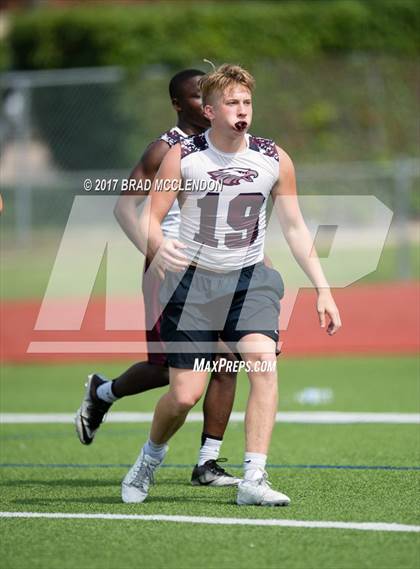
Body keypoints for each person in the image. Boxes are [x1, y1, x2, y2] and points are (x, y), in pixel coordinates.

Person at [123, 63, 342, 506]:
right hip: (191, 287)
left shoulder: (272, 156)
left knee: (263, 365)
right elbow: (148, 215)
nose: (242, 111)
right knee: (185, 394)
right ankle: (149, 459)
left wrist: (323, 288)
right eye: (232, 103)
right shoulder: (183, 157)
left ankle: (253, 479)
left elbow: (296, 227)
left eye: (247, 102)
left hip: (250, 280)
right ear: (209, 110)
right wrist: (158, 245)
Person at [75, 69, 240, 488]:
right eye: (197, 95)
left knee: (226, 358)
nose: (206, 102)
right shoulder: (164, 149)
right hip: (170, 272)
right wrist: (155, 254)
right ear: (177, 104)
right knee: (171, 371)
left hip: (220, 267)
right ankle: (103, 393)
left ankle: (208, 462)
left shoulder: (223, 147)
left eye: (211, 94)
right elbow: (124, 208)